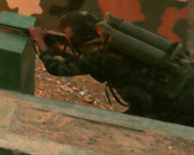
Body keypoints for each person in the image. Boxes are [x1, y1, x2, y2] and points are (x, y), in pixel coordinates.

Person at [30, 11, 194, 127]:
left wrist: (40, 42)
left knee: (124, 133)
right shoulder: (111, 44)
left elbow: (56, 68)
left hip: (173, 103)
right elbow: (98, 65)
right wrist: (60, 51)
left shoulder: (97, 55)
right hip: (182, 86)